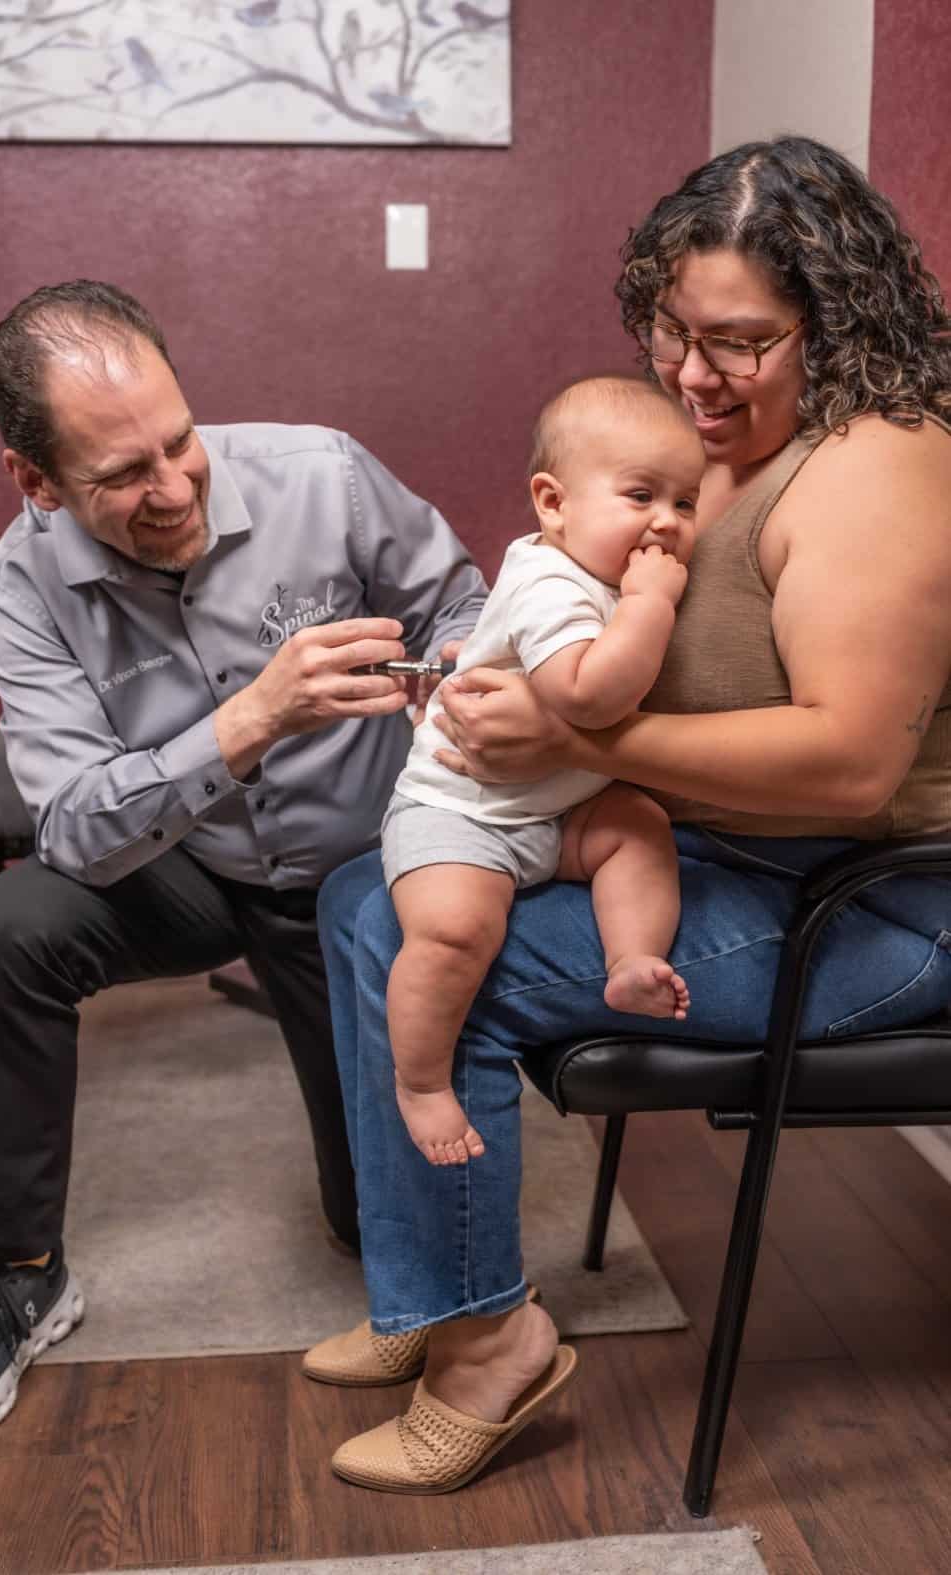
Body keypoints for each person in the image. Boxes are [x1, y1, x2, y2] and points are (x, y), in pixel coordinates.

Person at [305, 136, 951, 1495]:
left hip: (876, 897)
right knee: (374, 890)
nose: (691, 372)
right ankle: (438, 1295)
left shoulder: (879, 468)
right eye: (670, 328)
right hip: (735, 854)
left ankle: (483, 1341)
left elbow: (845, 768)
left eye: (737, 340)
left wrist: (572, 728)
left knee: (433, 955)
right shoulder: (715, 451)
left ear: (834, 319)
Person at [0, 280, 488, 1447]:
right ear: (36, 480)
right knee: (17, 923)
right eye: (122, 476)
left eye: (179, 444)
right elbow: (69, 823)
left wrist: (459, 677)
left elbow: (457, 601)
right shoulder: (13, 582)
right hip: (182, 864)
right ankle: (13, 1275)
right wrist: (251, 718)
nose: (171, 488)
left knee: (375, 1232)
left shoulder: (323, 472)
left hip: (355, 872)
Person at [384, 377, 702, 1166]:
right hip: (462, 812)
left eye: (684, 502)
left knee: (637, 826)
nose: (665, 521)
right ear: (553, 502)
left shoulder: (602, 577)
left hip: (559, 812)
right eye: (639, 494)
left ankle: (628, 959)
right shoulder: (551, 582)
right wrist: (651, 605)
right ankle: (420, 1081)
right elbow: (587, 698)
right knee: (454, 931)